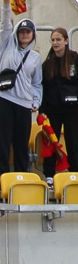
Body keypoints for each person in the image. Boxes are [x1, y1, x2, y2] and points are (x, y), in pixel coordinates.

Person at [0, 1, 41, 181]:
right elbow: (5, 25)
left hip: (24, 102)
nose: (25, 34)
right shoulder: (7, 46)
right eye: (22, 31)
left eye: (28, 32)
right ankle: (2, 176)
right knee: (1, 141)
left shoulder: (35, 57)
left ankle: (22, 176)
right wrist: (6, 2)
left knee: (21, 143)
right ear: (17, 33)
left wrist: (36, 101)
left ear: (33, 35)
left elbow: (37, 83)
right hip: (3, 98)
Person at [42, 29, 78, 179]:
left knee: (73, 141)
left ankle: (75, 172)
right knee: (51, 141)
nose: (55, 43)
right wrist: (42, 110)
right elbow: (43, 88)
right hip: (53, 109)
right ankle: (49, 175)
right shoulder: (47, 64)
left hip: (72, 109)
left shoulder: (75, 59)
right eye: (53, 40)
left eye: (58, 39)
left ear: (66, 41)